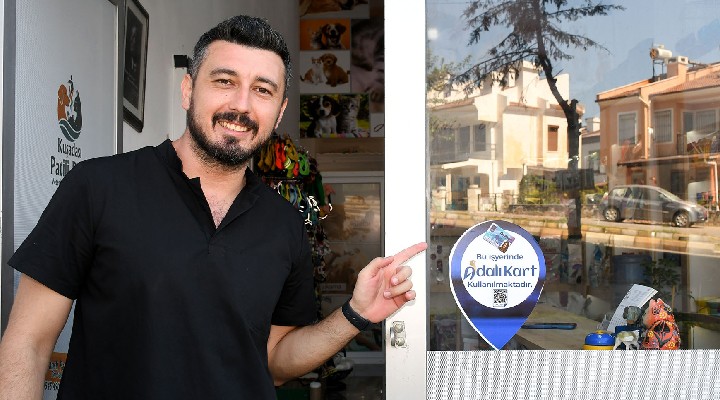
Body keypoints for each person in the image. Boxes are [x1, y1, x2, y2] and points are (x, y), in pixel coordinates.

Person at [0, 15, 426, 399]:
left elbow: (275, 361)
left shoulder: (284, 224)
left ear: (279, 112)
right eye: (224, 81)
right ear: (188, 89)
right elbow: (28, 343)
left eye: (262, 90)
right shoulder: (97, 187)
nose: (241, 105)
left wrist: (356, 314)